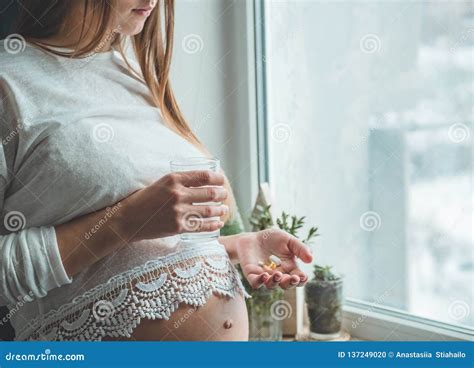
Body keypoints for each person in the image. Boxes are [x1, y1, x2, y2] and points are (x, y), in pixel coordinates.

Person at [0, 0, 312, 341]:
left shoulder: (130, 73)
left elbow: (134, 258)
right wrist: (124, 221)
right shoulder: (10, 80)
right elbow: (131, 226)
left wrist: (238, 246)